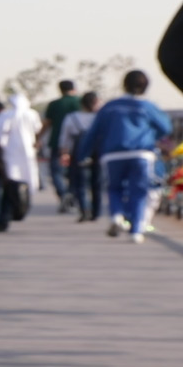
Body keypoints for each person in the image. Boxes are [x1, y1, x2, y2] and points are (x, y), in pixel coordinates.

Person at [77, 70, 172, 243]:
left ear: (124, 84)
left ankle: (116, 216)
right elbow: (166, 128)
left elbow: (93, 132)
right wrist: (151, 134)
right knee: (139, 191)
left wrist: (83, 154)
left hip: (113, 154)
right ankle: (136, 231)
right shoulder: (147, 106)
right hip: (142, 153)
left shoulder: (110, 106)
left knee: (114, 188)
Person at [59, 91, 101, 221]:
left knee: (80, 183)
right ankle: (96, 212)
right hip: (98, 151)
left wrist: (64, 153)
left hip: (79, 152)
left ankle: (84, 210)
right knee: (97, 183)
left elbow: (65, 138)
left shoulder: (72, 117)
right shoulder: (100, 117)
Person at [0, 93, 41, 195]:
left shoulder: (6, 115)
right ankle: (28, 189)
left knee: (12, 168)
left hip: (11, 147)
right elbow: (38, 128)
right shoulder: (32, 114)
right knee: (28, 167)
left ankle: (14, 189)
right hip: (27, 146)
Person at [43, 80, 81, 211]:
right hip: (77, 143)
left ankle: (63, 194)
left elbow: (47, 123)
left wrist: (38, 138)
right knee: (75, 172)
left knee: (56, 172)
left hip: (57, 142)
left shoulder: (54, 104)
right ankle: (71, 195)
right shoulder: (80, 102)